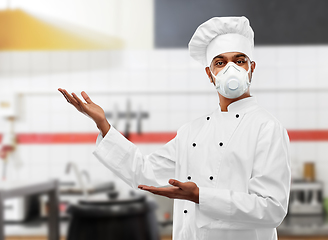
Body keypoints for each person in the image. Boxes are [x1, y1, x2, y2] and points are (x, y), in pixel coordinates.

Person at [58, 16, 291, 240]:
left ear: (251, 68)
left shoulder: (267, 127)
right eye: (220, 63)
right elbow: (144, 172)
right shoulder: (192, 131)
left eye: (239, 61)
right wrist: (103, 125)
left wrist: (200, 196)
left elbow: (272, 209)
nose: (231, 69)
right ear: (210, 74)